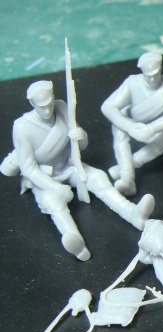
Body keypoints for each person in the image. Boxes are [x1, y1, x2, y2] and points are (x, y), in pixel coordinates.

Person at [1, 81, 155, 261]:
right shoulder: (21, 127)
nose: (47, 110)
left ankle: (132, 213)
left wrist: (81, 136)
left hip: (69, 165)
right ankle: (74, 240)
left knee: (98, 177)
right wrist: (56, 187)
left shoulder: (62, 107)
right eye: (42, 107)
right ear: (32, 103)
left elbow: (80, 146)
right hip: (45, 175)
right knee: (52, 202)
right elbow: (28, 168)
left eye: (49, 104)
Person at [102, 52, 163, 196]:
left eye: (156, 74)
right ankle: (128, 179)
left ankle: (125, 168)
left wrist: (151, 129)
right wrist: (129, 126)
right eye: (149, 76)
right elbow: (107, 106)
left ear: (161, 69)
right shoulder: (132, 83)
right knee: (117, 125)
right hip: (136, 129)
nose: (153, 79)